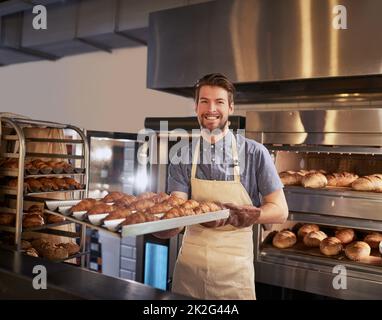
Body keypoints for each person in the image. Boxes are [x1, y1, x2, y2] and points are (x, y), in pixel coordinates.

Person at [154, 73, 288, 300]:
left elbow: (281, 211)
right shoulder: (182, 155)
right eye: (204, 101)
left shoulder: (255, 153)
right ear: (196, 107)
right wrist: (159, 225)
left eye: (219, 102)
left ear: (231, 107)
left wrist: (252, 214)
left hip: (234, 273)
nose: (211, 109)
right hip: (190, 270)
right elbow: (178, 210)